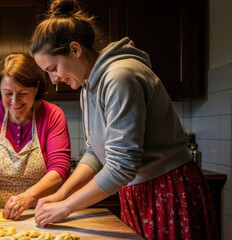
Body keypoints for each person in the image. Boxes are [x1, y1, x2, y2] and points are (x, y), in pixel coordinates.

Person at [30, 0, 218, 239]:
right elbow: (94, 152)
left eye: (53, 68)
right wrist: (62, 194)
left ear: (75, 49)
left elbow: (121, 166)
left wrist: (66, 207)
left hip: (167, 190)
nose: (53, 79)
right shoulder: (88, 85)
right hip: (137, 192)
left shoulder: (120, 77)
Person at [0, 53, 71, 220]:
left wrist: (28, 197)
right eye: (8, 93)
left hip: (42, 214)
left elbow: (60, 168)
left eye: (23, 93)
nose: (14, 101)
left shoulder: (52, 116)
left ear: (36, 88)